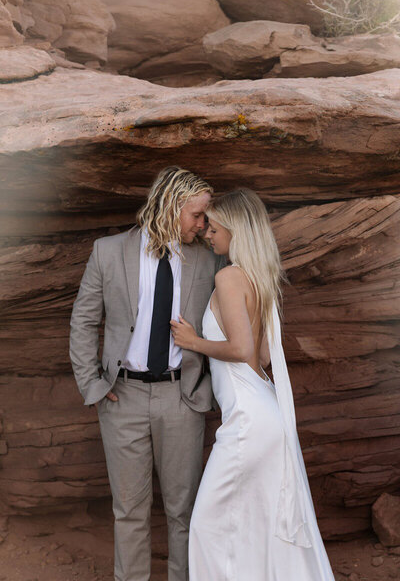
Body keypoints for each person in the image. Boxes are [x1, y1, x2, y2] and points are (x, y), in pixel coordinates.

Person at [171, 188, 335, 581]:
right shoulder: (257, 278)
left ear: (234, 228)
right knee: (259, 525)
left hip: (247, 420)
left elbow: (243, 350)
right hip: (266, 410)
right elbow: (262, 357)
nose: (208, 235)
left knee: (207, 525)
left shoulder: (229, 276)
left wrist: (193, 342)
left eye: (213, 227)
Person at [69, 166, 224, 581]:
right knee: (130, 510)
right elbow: (84, 321)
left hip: (182, 398)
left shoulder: (207, 260)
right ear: (172, 207)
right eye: (197, 215)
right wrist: (92, 385)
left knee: (184, 511)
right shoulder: (108, 250)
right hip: (123, 397)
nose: (203, 224)